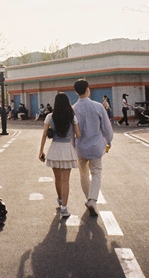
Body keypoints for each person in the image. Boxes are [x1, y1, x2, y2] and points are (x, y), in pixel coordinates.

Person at [72, 79, 114, 216]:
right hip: (96, 146)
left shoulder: (73, 109)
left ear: (76, 92)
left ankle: (88, 198)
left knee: (83, 174)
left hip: (80, 148)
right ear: (88, 90)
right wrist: (108, 140)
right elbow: (106, 126)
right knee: (96, 173)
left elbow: (71, 132)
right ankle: (92, 200)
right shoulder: (98, 107)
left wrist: (72, 148)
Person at [38, 93, 81, 218]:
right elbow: (78, 135)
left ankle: (60, 199)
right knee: (65, 180)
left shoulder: (50, 116)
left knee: (57, 179)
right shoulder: (72, 117)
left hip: (54, 149)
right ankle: (64, 208)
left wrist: (41, 151)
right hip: (67, 149)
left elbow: (44, 134)